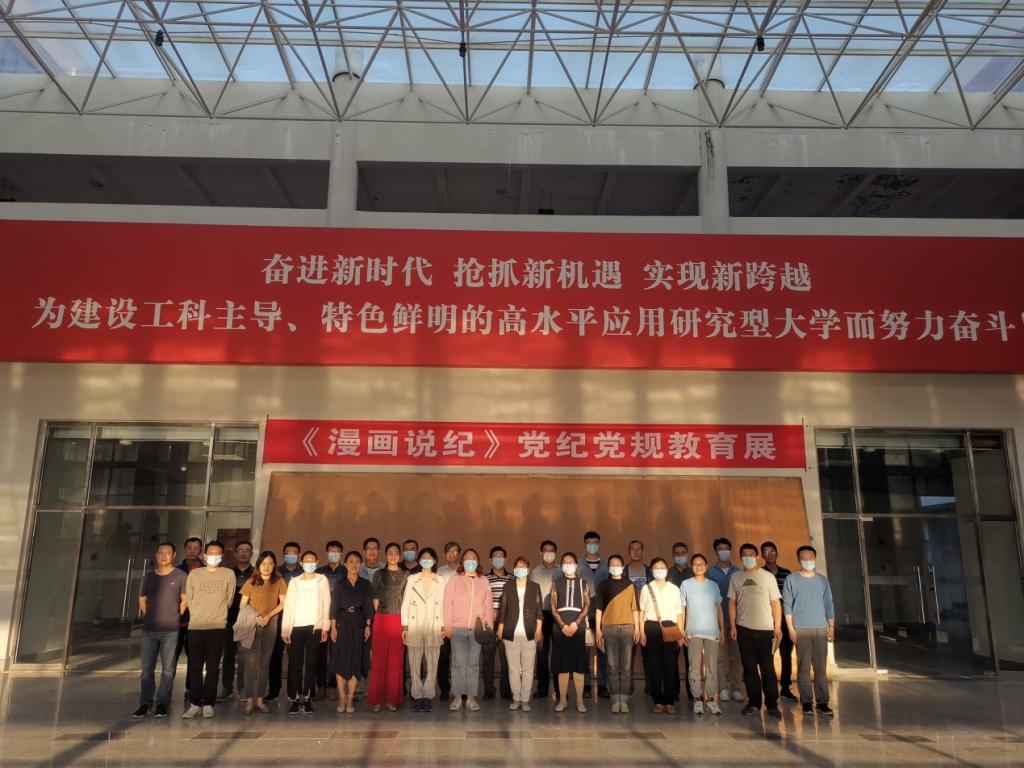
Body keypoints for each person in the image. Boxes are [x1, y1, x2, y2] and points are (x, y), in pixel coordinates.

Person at [182, 541, 236, 719]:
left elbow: (229, 599)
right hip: (196, 626)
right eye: (211, 553)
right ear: (205, 555)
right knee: (194, 667)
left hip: (217, 626)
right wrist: (199, 614)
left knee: (213, 667)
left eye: (217, 553)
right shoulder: (195, 574)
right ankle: (194, 702)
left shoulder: (228, 574)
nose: (214, 556)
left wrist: (217, 615)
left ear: (222, 555)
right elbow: (189, 599)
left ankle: (208, 702)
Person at [729, 543, 783, 719]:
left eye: (751, 554)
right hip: (744, 629)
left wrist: (777, 626)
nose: (748, 557)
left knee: (767, 668)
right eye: (744, 555)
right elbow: (732, 603)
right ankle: (753, 703)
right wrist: (733, 626)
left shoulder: (768, 577)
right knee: (749, 668)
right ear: (740, 557)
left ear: (758, 557)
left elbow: (776, 603)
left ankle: (772, 705)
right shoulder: (736, 577)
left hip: (765, 630)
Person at [134, 542, 187, 719]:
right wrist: (150, 615)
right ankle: (145, 703)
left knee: (168, 670)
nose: (163, 556)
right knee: (146, 670)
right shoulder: (149, 576)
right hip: (149, 629)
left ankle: (162, 702)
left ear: (174, 555)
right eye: (160, 553)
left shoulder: (181, 576)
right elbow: (142, 600)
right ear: (156, 555)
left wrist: (175, 615)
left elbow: (185, 600)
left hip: (171, 630)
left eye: (167, 553)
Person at [783, 546, 835, 718]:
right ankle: (806, 702)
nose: (807, 560)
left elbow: (829, 604)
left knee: (820, 668)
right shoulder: (791, 579)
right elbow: (787, 605)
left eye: (810, 557)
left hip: (820, 628)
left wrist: (831, 627)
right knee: (803, 668)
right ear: (798, 560)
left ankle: (822, 703)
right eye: (803, 558)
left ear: (815, 558)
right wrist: (791, 628)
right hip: (801, 628)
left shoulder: (822, 580)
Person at [443, 548, 493, 712]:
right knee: (458, 664)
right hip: (457, 629)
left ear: (477, 562)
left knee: (473, 664)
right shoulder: (454, 579)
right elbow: (447, 603)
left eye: (473, 558)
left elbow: (488, 606)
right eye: (467, 558)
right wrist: (447, 625)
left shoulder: (483, 581)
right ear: (462, 562)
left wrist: (489, 626)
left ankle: (471, 698)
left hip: (476, 630)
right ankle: (457, 697)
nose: (470, 561)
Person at [282, 550, 331, 715]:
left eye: (312, 561)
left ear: (317, 562)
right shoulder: (294, 582)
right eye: (306, 561)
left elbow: (326, 603)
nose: (309, 563)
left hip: (314, 627)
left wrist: (325, 627)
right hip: (296, 627)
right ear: (301, 563)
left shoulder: (322, 580)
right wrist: (285, 629)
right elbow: (289, 605)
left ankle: (308, 697)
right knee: (295, 663)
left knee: (311, 663)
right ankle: (295, 698)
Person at [238, 551, 286, 715]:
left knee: (264, 664)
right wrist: (256, 617)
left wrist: (268, 616)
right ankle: (249, 700)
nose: (267, 567)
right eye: (263, 563)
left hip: (270, 623)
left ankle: (259, 699)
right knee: (250, 664)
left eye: (270, 563)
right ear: (258, 565)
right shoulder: (251, 581)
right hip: (252, 623)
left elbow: (283, 603)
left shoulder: (279, 581)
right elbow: (242, 605)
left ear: (274, 565)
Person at [595, 553, 639, 714]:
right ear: (608, 568)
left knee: (626, 667)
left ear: (622, 567)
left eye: (617, 565)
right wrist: (598, 629)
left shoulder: (630, 585)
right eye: (612, 565)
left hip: (628, 629)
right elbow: (598, 609)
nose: (615, 567)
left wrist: (637, 629)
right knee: (612, 666)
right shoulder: (603, 585)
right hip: (609, 629)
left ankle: (624, 701)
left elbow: (635, 609)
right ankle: (615, 700)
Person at [497, 556, 543, 712]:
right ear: (514, 569)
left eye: (523, 566)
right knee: (513, 669)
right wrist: (500, 628)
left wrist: (538, 629)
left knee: (529, 669)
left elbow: (539, 611)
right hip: (511, 632)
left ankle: (525, 700)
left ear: (528, 570)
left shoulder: (534, 587)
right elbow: (503, 608)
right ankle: (516, 698)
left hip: (529, 632)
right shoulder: (508, 586)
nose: (520, 569)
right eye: (517, 566)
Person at [639, 558, 684, 715]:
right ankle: (658, 701)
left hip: (670, 627)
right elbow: (642, 612)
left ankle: (669, 702)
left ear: (667, 569)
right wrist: (641, 632)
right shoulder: (646, 588)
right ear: (652, 571)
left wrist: (681, 633)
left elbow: (679, 613)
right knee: (654, 666)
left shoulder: (674, 589)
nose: (659, 570)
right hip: (651, 627)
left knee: (670, 665)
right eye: (656, 568)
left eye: (662, 567)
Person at [331, 550, 374, 715]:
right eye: (351, 561)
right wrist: (333, 627)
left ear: (360, 564)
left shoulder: (365, 584)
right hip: (342, 622)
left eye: (357, 561)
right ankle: (342, 697)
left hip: (359, 622)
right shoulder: (339, 584)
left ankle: (350, 697)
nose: (354, 564)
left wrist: (368, 625)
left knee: (356, 659)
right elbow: (334, 606)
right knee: (341, 660)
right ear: (345, 564)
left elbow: (369, 606)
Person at [401, 547, 444, 712]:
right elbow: (405, 603)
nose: (426, 560)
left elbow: (443, 604)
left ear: (434, 561)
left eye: (429, 558)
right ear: (419, 560)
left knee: (433, 662)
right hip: (415, 624)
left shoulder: (440, 580)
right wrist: (405, 626)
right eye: (423, 558)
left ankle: (428, 696)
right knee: (414, 662)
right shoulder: (412, 579)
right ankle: (417, 695)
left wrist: (443, 626)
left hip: (434, 624)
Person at [681, 553, 724, 716]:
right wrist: (682, 630)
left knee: (712, 667)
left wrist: (722, 629)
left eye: (701, 564)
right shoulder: (686, 584)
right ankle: (697, 699)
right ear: (691, 566)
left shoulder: (713, 585)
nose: (698, 567)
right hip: (693, 632)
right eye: (695, 564)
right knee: (694, 667)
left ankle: (711, 699)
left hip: (712, 632)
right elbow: (683, 609)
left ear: (706, 566)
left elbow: (719, 609)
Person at [368, 542, 408, 712]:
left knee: (395, 661)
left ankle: (392, 699)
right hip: (382, 619)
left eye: (396, 553)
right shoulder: (379, 574)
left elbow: (407, 599)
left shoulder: (406, 575)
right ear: (386, 555)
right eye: (390, 553)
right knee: (378, 661)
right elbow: (375, 599)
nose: (393, 556)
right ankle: (376, 700)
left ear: (400, 555)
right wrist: (382, 613)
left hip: (399, 619)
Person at [550, 552, 590, 713]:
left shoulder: (584, 583)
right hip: (560, 628)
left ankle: (580, 701)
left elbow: (587, 606)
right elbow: (553, 607)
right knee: (563, 666)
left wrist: (575, 624)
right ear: (561, 566)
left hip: (577, 627)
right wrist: (563, 626)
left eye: (571, 562)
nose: (568, 565)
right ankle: (563, 700)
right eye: (565, 563)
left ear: (576, 565)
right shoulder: (556, 583)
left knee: (579, 666)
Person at [267, 541, 303, 702]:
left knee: (295, 657)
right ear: (283, 554)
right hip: (277, 617)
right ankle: (274, 690)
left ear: (299, 555)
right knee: (275, 656)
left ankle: (293, 691)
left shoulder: (304, 573)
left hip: (297, 618)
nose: (291, 555)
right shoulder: (276, 572)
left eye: (294, 553)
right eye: (288, 553)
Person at [708, 537, 743, 702]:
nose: (723, 551)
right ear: (716, 551)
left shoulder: (738, 571)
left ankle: (736, 688)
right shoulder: (710, 572)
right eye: (720, 548)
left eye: (726, 548)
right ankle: (722, 688)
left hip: (736, 619)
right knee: (720, 657)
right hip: (717, 619)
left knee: (736, 656)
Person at [762, 540, 796, 702]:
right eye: (766, 552)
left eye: (772, 551)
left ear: (777, 554)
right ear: (762, 556)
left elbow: (791, 596)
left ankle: (785, 688)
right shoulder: (760, 573)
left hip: (784, 620)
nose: (769, 554)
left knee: (786, 655)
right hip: (766, 621)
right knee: (767, 656)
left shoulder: (786, 573)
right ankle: (769, 688)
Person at [219, 540, 253, 703]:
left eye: (247, 550)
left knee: (245, 657)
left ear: (251, 554)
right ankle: (227, 688)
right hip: (228, 620)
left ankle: (243, 688)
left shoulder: (256, 574)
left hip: (248, 620)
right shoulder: (227, 573)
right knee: (228, 656)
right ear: (235, 553)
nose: (244, 553)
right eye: (241, 550)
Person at [173, 536, 203, 709]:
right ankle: (166, 690)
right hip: (177, 622)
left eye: (196, 548)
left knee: (195, 659)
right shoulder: (176, 570)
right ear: (185, 549)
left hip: (197, 622)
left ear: (201, 550)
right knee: (171, 658)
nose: (192, 550)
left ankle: (191, 690)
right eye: (189, 547)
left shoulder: (206, 570)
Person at [315, 539, 346, 701]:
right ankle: (321, 686)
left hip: (339, 619)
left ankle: (332, 686)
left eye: (337, 551)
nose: (334, 554)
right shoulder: (319, 572)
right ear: (326, 553)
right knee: (319, 653)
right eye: (331, 551)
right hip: (321, 617)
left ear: (341, 553)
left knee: (336, 654)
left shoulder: (346, 572)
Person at [530, 539, 559, 699]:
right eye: (546, 550)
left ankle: (559, 689)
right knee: (541, 653)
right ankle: (542, 687)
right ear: (541, 553)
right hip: (541, 616)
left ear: (555, 553)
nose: (549, 553)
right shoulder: (535, 572)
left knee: (559, 653)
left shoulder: (561, 571)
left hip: (558, 617)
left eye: (552, 550)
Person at [581, 531, 609, 700]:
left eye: (595, 542)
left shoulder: (606, 564)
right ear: (585, 544)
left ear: (599, 544)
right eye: (589, 542)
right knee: (584, 650)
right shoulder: (578, 564)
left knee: (602, 650)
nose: (592, 545)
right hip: (583, 614)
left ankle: (603, 684)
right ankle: (586, 684)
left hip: (602, 613)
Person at [483, 546, 513, 701]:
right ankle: (489, 690)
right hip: (488, 624)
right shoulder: (484, 578)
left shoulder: (512, 578)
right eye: (495, 556)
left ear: (505, 559)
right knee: (487, 658)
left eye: (501, 556)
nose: (498, 559)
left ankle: (505, 690)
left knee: (506, 659)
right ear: (490, 560)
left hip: (506, 624)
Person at [666, 541, 694, 701]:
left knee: (691, 660)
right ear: (673, 555)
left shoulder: (694, 572)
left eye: (683, 553)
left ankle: (692, 691)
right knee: (672, 660)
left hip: (692, 621)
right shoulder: (668, 574)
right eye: (677, 553)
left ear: (687, 554)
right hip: (673, 622)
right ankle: (673, 691)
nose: (680, 555)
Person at [626, 540, 653, 696]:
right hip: (628, 618)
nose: (635, 552)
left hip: (647, 618)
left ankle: (650, 687)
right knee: (628, 657)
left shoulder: (650, 571)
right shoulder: (623, 571)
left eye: (638, 549)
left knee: (648, 656)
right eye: (632, 549)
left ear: (643, 551)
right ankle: (628, 688)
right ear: (628, 552)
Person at [435, 540, 461, 700]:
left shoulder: (464, 571)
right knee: (443, 657)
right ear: (445, 554)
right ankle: (444, 688)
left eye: (455, 551)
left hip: (461, 621)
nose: (452, 554)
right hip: (443, 621)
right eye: (449, 551)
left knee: (459, 658)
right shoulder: (439, 572)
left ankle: (459, 689)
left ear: (459, 553)